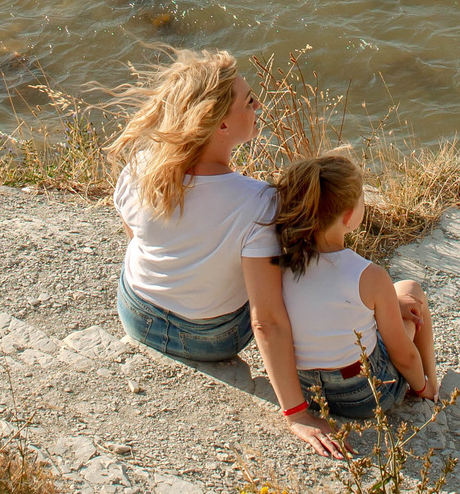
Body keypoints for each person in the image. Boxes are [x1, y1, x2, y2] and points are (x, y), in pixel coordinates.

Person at [106, 50, 343, 457]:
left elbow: (133, 234)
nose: (259, 106)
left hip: (137, 313)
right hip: (211, 340)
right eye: (249, 101)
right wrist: (297, 413)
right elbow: (266, 320)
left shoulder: (141, 166)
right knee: (281, 275)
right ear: (220, 124)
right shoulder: (259, 203)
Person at [267, 152, 439, 424]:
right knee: (410, 289)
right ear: (349, 216)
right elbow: (403, 355)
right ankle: (431, 387)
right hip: (363, 395)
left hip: (304, 390)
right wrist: (419, 385)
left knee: (389, 304)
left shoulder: (279, 262)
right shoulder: (368, 275)